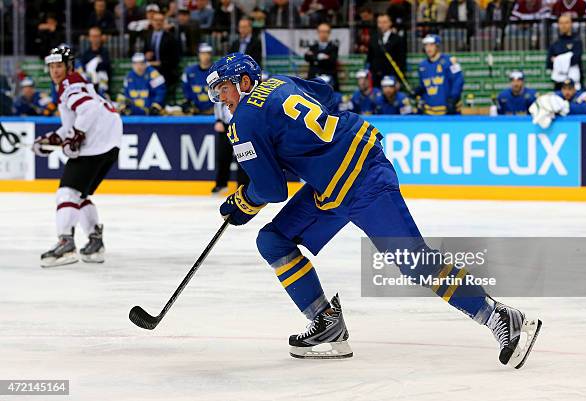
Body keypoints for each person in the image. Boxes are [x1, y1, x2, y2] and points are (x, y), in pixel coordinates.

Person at [205, 52, 542, 365]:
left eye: (223, 89)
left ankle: (500, 317)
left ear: (244, 83)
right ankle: (327, 324)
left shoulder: (244, 121)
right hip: (342, 179)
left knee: (415, 263)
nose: (222, 99)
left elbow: (270, 189)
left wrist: (242, 202)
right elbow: (325, 95)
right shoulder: (280, 81)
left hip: (363, 183)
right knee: (273, 240)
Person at [33, 46, 122, 267]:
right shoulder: (75, 83)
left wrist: (76, 137)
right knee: (79, 195)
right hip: (109, 141)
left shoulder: (68, 85)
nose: (55, 70)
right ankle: (95, 242)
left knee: (66, 193)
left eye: (59, 65)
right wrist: (51, 139)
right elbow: (72, 124)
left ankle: (66, 244)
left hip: (96, 143)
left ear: (68, 66)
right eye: (51, 66)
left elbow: (89, 110)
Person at [413, 34, 464, 115]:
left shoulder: (450, 61)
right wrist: (418, 90)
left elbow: (458, 81)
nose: (428, 48)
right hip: (430, 112)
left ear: (437, 46)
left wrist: (453, 98)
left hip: (448, 109)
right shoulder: (422, 65)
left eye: (431, 45)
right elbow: (424, 85)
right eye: (426, 45)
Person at [144, 11, 181, 103]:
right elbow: (143, 52)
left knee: (160, 81)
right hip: (149, 70)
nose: (158, 22)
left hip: (166, 70)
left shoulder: (171, 38)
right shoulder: (147, 36)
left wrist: (160, 63)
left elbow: (175, 58)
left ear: (164, 22)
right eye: (156, 20)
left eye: (161, 20)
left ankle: (158, 105)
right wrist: (146, 55)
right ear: (152, 22)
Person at [366, 13, 407, 87]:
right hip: (376, 79)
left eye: (384, 22)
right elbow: (370, 59)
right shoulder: (373, 38)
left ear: (390, 23)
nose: (382, 25)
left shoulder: (398, 39)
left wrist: (398, 80)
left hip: (391, 78)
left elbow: (401, 61)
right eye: (380, 22)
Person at [547, 13, 583, 89]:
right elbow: (549, 63)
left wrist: (557, 59)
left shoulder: (577, 41)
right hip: (559, 84)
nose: (563, 25)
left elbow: (575, 59)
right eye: (561, 23)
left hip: (574, 83)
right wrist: (567, 57)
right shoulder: (554, 43)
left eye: (566, 22)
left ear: (571, 24)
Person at [181, 43, 215, 115]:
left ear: (211, 55)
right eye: (203, 53)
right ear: (198, 55)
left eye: (208, 53)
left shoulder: (217, 71)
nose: (205, 56)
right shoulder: (189, 72)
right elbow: (186, 92)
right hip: (195, 111)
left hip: (214, 111)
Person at [79, 26, 112, 100]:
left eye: (97, 36)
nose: (95, 39)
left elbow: (106, 68)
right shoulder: (85, 54)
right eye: (93, 36)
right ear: (89, 38)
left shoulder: (105, 52)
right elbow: (83, 70)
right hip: (89, 90)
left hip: (103, 90)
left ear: (101, 37)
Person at [304, 22, 339, 91]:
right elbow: (307, 58)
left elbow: (331, 61)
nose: (323, 34)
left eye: (325, 32)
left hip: (329, 77)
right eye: (321, 31)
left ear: (329, 33)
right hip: (313, 78)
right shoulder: (313, 47)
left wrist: (315, 59)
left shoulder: (334, 47)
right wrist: (321, 57)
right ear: (317, 32)